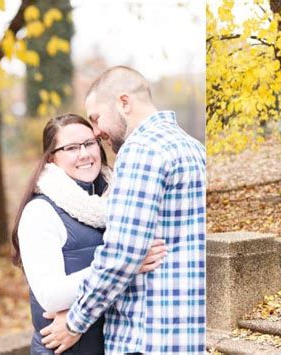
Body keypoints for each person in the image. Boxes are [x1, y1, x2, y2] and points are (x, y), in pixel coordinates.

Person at [40, 66, 206, 354]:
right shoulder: (194, 148)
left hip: (147, 336)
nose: (96, 131)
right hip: (188, 335)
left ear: (124, 103)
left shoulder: (141, 150)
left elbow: (122, 254)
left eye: (96, 118)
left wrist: (74, 322)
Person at [12, 113, 167, 354]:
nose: (84, 154)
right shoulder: (40, 212)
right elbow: (51, 296)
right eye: (71, 148)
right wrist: (127, 263)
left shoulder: (120, 202)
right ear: (51, 158)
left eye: (89, 143)